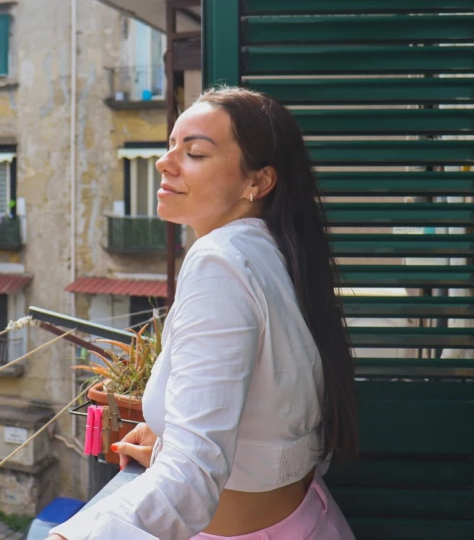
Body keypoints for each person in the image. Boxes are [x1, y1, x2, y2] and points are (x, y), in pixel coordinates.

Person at [48, 86, 358, 540]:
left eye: (193, 152)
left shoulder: (221, 263)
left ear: (258, 181)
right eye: (171, 145)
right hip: (309, 519)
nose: (164, 162)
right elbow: (270, 412)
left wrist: (76, 536)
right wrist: (171, 433)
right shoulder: (276, 252)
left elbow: (193, 472)